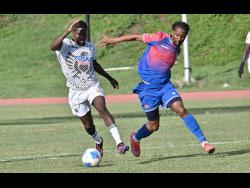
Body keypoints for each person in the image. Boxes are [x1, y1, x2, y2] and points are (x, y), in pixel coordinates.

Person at [101, 21, 215, 157]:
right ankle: (136, 138)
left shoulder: (177, 48)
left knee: (181, 109)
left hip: (165, 86)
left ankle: (205, 143)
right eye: (177, 35)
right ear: (172, 32)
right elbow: (135, 37)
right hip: (148, 89)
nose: (179, 38)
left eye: (182, 36)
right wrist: (113, 40)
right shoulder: (159, 37)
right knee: (154, 126)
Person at [50, 19, 129, 157]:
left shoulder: (90, 47)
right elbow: (53, 46)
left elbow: (94, 64)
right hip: (75, 91)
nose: (82, 37)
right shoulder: (66, 45)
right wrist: (67, 31)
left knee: (102, 109)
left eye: (84, 34)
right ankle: (98, 141)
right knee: (88, 126)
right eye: (79, 33)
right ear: (73, 33)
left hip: (92, 86)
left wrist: (109, 77)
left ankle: (119, 143)